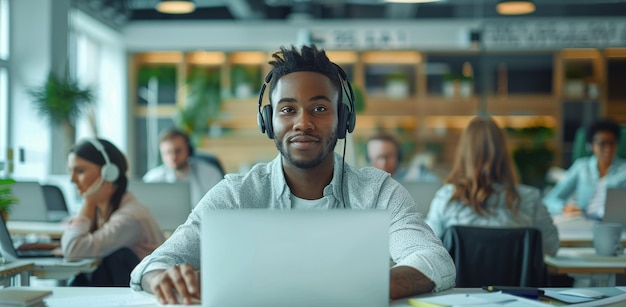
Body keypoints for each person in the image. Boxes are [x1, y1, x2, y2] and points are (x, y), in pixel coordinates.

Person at [130, 45, 455, 304]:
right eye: (287, 110)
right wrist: (162, 278)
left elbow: (434, 260)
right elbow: (155, 263)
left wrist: (367, 285)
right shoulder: (236, 193)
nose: (303, 122)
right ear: (268, 122)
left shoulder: (377, 191)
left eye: (319, 108)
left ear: (344, 120)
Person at [425, 116, 559, 256]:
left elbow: (426, 247)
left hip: (460, 279)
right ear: (505, 154)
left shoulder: (447, 197)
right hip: (513, 279)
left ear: (464, 154)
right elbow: (552, 247)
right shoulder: (530, 199)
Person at [62, 138, 165, 286]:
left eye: (80, 171)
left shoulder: (130, 217)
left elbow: (73, 250)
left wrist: (88, 201)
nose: (72, 179)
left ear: (108, 173)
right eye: (70, 171)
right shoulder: (104, 211)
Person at [543, 119, 626, 219]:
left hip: (617, 224)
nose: (608, 149)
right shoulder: (581, 167)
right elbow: (550, 199)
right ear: (590, 145)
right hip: (583, 221)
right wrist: (563, 207)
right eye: (602, 143)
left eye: (612, 143)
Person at [143, 129, 224, 206]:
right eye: (168, 152)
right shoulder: (152, 179)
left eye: (177, 151)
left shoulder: (210, 174)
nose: (173, 157)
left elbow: (221, 207)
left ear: (188, 150)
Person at [365, 133, 440, 183]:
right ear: (369, 158)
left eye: (388, 156)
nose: (383, 162)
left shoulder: (417, 174)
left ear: (398, 156)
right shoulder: (363, 184)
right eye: (378, 157)